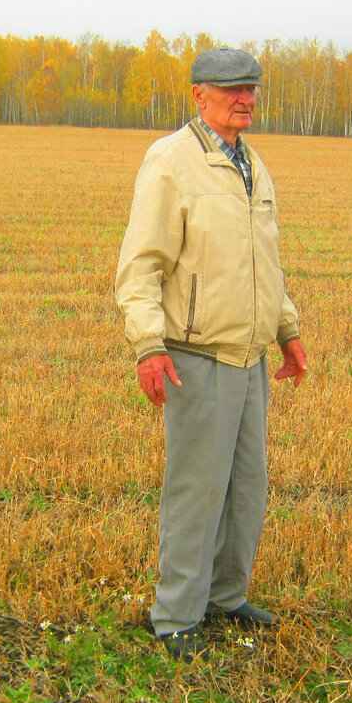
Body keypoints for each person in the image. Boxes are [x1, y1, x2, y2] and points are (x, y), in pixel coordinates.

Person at [116, 47, 308, 662]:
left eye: (251, 87)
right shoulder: (171, 161)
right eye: (231, 89)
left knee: (247, 487)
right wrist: (147, 343)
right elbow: (141, 265)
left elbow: (265, 265)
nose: (244, 98)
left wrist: (287, 330)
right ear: (199, 94)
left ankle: (227, 597)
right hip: (195, 355)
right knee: (197, 490)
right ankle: (175, 617)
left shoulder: (253, 163)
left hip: (250, 357)